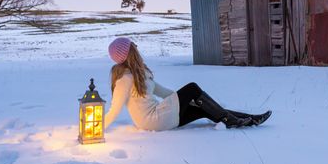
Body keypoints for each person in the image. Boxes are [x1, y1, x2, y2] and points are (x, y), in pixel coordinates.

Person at [104, 37, 272, 131]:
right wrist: (97, 128)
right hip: (151, 120)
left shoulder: (141, 74)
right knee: (192, 88)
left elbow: (163, 92)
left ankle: (249, 119)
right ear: (129, 53)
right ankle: (232, 121)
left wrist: (186, 100)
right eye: (133, 47)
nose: (136, 48)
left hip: (160, 116)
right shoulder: (124, 79)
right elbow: (115, 109)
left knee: (203, 109)